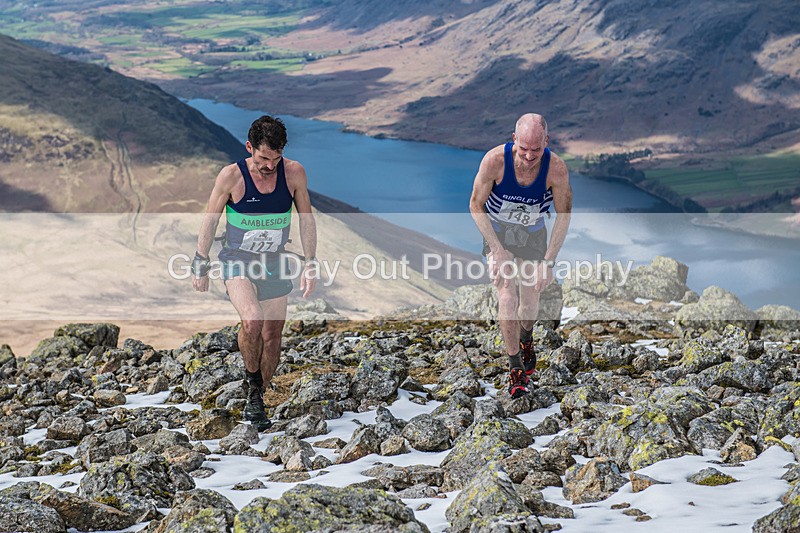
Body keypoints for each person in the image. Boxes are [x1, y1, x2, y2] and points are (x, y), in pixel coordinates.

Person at [192, 115, 317, 430]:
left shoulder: (294, 173)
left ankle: (259, 396)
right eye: (263, 158)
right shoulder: (231, 176)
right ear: (249, 147)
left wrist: (310, 262)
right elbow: (210, 219)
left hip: (274, 261)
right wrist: (200, 260)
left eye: (276, 158)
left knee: (272, 336)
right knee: (252, 320)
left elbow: (306, 218)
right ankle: (252, 387)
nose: (270, 166)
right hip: (237, 260)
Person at [469, 113, 572, 399]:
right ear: (514, 139)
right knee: (506, 296)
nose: (528, 156)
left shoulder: (556, 169)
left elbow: (564, 215)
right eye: (523, 148)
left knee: (529, 301)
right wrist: (496, 250)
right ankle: (515, 367)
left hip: (532, 235)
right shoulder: (495, 161)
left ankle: (526, 337)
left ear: (546, 142)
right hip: (498, 232)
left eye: (536, 150)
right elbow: (475, 205)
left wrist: (548, 263)